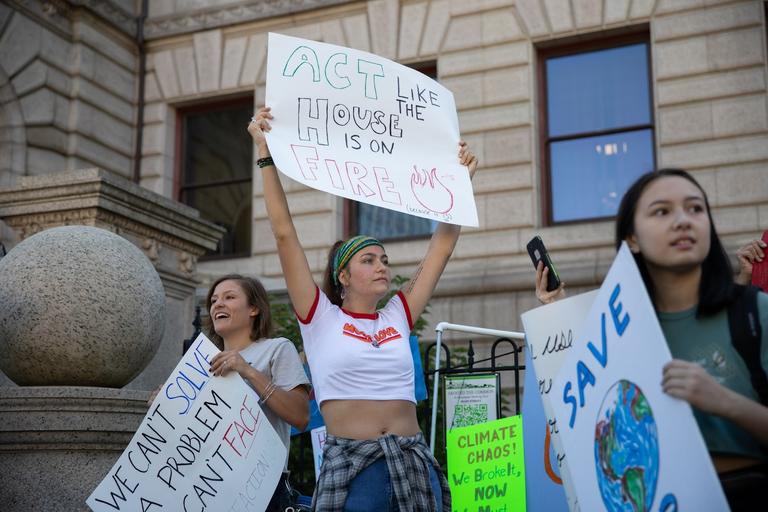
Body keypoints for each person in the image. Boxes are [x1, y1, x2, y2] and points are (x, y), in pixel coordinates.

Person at [248, 106, 477, 511]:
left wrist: (459, 184)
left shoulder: (397, 315)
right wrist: (266, 155)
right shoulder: (319, 317)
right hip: (355, 472)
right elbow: (284, 234)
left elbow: (441, 247)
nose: (381, 266)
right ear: (344, 276)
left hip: (413, 462)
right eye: (368, 260)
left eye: (384, 259)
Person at [534, 169, 768, 510]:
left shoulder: (754, 314)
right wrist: (555, 311)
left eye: (695, 208)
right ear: (632, 238)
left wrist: (722, 401)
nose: (683, 220)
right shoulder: (613, 332)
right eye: (662, 211)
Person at [151, 274, 310, 512]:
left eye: (229, 297)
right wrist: (163, 407)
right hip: (204, 491)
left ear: (254, 308)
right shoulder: (199, 366)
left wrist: (247, 370)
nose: (218, 304)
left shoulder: (276, 349)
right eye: (214, 300)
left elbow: (300, 415)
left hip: (259, 491)